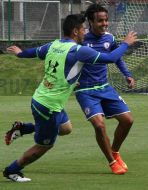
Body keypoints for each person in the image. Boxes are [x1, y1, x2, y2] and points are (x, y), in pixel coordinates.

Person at [3, 14, 137, 182]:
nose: (85, 31)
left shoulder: (54, 44)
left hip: (46, 100)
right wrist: (126, 43)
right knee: (45, 144)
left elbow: (34, 52)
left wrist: (20, 54)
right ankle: (12, 170)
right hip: (48, 105)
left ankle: (23, 128)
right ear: (75, 31)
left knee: (65, 129)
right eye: (83, 29)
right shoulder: (79, 50)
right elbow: (110, 58)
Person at [75, 3, 134, 174]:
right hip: (85, 90)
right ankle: (112, 161)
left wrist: (127, 74)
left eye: (106, 20)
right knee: (99, 126)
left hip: (105, 87)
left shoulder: (109, 38)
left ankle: (114, 151)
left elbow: (117, 58)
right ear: (90, 22)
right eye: (100, 21)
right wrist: (70, 79)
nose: (104, 24)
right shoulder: (81, 39)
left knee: (128, 121)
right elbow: (67, 59)